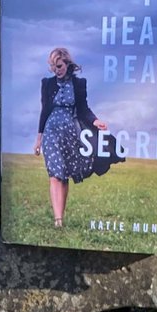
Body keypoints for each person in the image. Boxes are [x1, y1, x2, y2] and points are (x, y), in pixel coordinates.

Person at [33, 47, 108, 229]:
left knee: (64, 175)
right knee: (54, 174)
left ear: (67, 64)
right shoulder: (47, 83)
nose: (56, 70)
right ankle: (57, 220)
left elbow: (83, 109)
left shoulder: (79, 84)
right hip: (51, 130)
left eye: (59, 65)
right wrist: (39, 139)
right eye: (52, 66)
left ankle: (61, 216)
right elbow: (44, 111)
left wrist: (96, 120)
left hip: (70, 132)